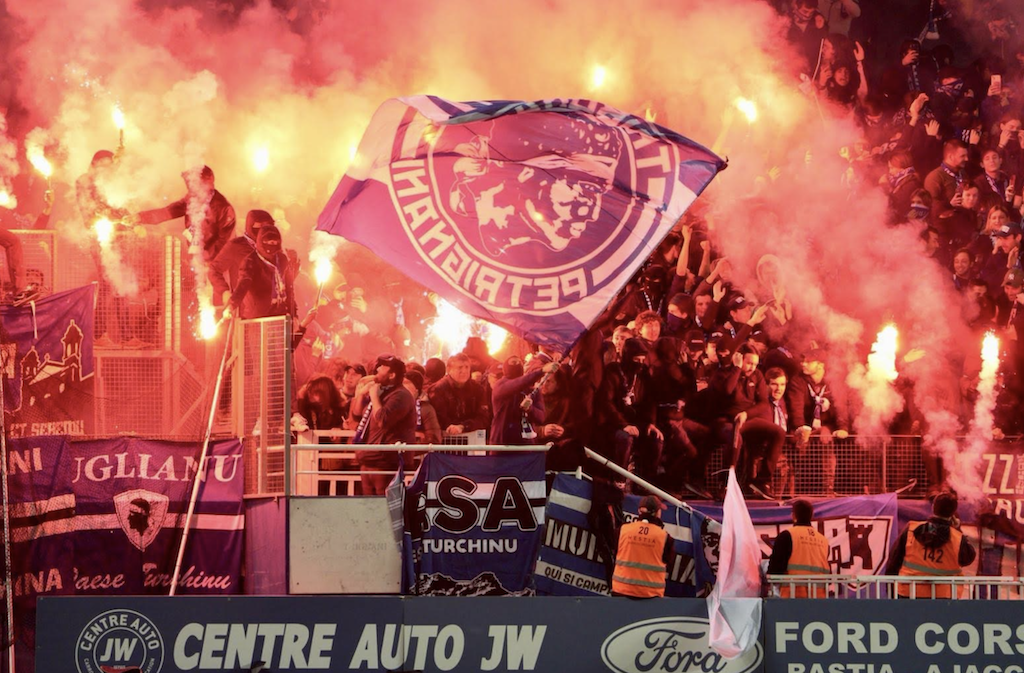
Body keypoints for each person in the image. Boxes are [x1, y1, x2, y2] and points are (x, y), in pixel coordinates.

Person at [885, 491, 976, 598]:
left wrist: (891, 592)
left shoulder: (911, 529)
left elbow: (894, 561)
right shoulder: (957, 538)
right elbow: (968, 559)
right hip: (943, 597)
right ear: (953, 513)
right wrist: (957, 529)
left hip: (909, 593)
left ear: (933, 507)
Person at [137, 165, 236, 263]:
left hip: (220, 264)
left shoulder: (224, 209)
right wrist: (139, 217)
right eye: (189, 185)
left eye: (195, 184)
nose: (191, 189)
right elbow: (167, 212)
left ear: (208, 183)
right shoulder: (190, 200)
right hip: (200, 260)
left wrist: (208, 257)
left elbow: (226, 243)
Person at [350, 354, 417, 495]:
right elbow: (356, 416)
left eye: (382, 367)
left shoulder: (401, 396)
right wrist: (361, 395)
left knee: (384, 502)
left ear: (392, 375)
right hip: (368, 459)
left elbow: (383, 420)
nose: (378, 369)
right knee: (368, 504)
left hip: (385, 461)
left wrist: (374, 395)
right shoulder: (382, 391)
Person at [611, 495, 676, 598]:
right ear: (657, 513)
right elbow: (670, 563)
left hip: (621, 591)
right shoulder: (665, 538)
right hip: (650, 595)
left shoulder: (622, 531)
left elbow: (615, 553)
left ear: (639, 511)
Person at [767, 499, 830, 598]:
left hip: (793, 595)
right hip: (819, 597)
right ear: (811, 516)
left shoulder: (787, 535)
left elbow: (775, 568)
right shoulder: (823, 540)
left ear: (793, 515)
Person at [427, 352, 490, 437]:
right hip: (446, 437)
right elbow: (438, 418)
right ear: (449, 369)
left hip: (473, 436)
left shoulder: (478, 389)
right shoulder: (437, 390)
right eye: (460, 367)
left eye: (467, 367)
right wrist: (454, 428)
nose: (464, 371)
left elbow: (484, 417)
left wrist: (463, 426)